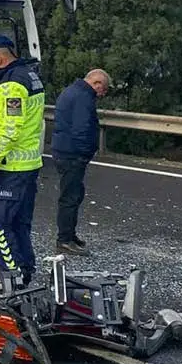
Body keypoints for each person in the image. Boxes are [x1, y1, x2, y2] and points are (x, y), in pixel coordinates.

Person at [0, 34, 46, 285]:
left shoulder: (12, 86)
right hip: (27, 166)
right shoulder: (29, 76)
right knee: (18, 223)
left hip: (10, 168)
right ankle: (25, 270)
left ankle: (13, 279)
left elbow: (9, 128)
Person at [50, 68, 110, 255]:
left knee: (72, 194)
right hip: (72, 154)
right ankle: (65, 239)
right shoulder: (84, 97)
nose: (102, 94)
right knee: (70, 197)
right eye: (104, 90)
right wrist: (86, 153)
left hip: (64, 150)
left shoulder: (71, 91)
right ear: (97, 83)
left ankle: (69, 234)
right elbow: (82, 128)